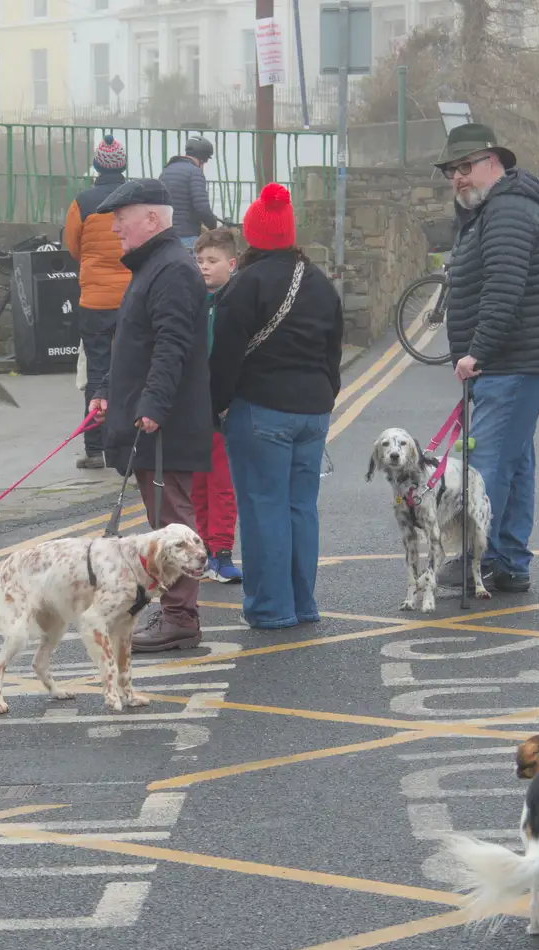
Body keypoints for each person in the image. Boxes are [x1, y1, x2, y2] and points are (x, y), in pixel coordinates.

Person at [431, 124, 539, 595]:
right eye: (452, 171)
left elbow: (504, 288)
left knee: (486, 465)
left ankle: (480, 560)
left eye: (465, 167)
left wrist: (477, 352)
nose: (457, 178)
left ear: (494, 161)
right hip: (517, 362)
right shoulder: (491, 209)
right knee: (514, 461)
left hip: (513, 362)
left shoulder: (506, 210)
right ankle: (508, 561)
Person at [87, 177, 212, 653]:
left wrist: (153, 406)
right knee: (165, 520)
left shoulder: (172, 269)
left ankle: (181, 618)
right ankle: (175, 612)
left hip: (165, 426)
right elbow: (132, 344)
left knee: (172, 524)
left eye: (122, 217)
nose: (115, 227)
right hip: (151, 418)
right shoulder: (155, 265)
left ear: (153, 219)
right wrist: (104, 390)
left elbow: (171, 344)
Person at [209, 188, 341, 627]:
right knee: (301, 508)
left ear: (253, 235)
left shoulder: (245, 285)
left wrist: (217, 407)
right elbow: (332, 353)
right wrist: (323, 398)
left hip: (261, 408)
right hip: (314, 410)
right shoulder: (320, 282)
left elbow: (224, 357)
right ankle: (303, 604)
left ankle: (270, 607)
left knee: (263, 505)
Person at [63, 135, 131, 470]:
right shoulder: (134, 198)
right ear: (123, 165)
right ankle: (131, 446)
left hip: (94, 300)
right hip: (132, 298)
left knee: (97, 370)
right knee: (133, 367)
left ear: (96, 165)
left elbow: (73, 246)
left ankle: (94, 448)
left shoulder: (83, 201)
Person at [192, 226, 243, 585]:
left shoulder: (237, 300)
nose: (204, 267)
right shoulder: (194, 300)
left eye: (212, 261)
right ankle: (203, 551)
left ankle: (222, 553)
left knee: (222, 483)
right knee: (197, 484)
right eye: (200, 261)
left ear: (232, 262)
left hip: (224, 405)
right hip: (194, 405)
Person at [159, 136, 228, 247]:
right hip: (187, 235)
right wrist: (213, 226)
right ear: (203, 159)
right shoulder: (195, 172)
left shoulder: (166, 171)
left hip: (166, 234)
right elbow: (202, 207)